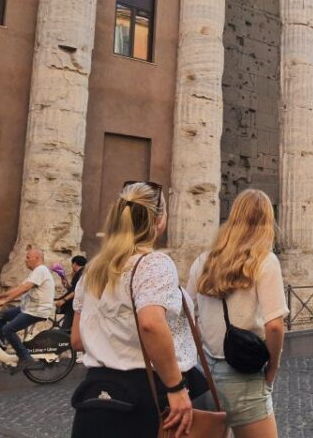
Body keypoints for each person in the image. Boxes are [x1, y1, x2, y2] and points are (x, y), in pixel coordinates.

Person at [71, 182, 205, 438]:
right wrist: (176, 388)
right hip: (147, 394)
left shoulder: (93, 270)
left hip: (96, 396)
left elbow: (77, 340)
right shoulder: (154, 263)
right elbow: (150, 323)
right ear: (159, 220)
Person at [187, 189, 288, 438]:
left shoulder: (203, 260)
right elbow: (274, 325)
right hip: (243, 375)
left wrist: (204, 341)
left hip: (206, 372)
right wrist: (273, 366)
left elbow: (187, 314)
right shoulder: (264, 260)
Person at [0, 248, 55, 373]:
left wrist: (5, 301)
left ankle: (26, 357)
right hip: (27, 308)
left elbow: (24, 289)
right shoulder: (35, 272)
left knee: (8, 329)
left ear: (37, 258)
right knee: (1, 317)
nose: (25, 260)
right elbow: (18, 288)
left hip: (36, 311)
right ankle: (2, 349)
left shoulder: (41, 270)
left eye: (28, 257)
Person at [55, 255, 87, 330]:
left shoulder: (81, 274)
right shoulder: (81, 273)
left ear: (75, 264)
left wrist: (63, 300)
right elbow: (73, 289)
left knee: (65, 328)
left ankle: (62, 340)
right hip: (76, 305)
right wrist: (66, 284)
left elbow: (77, 291)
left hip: (75, 305)